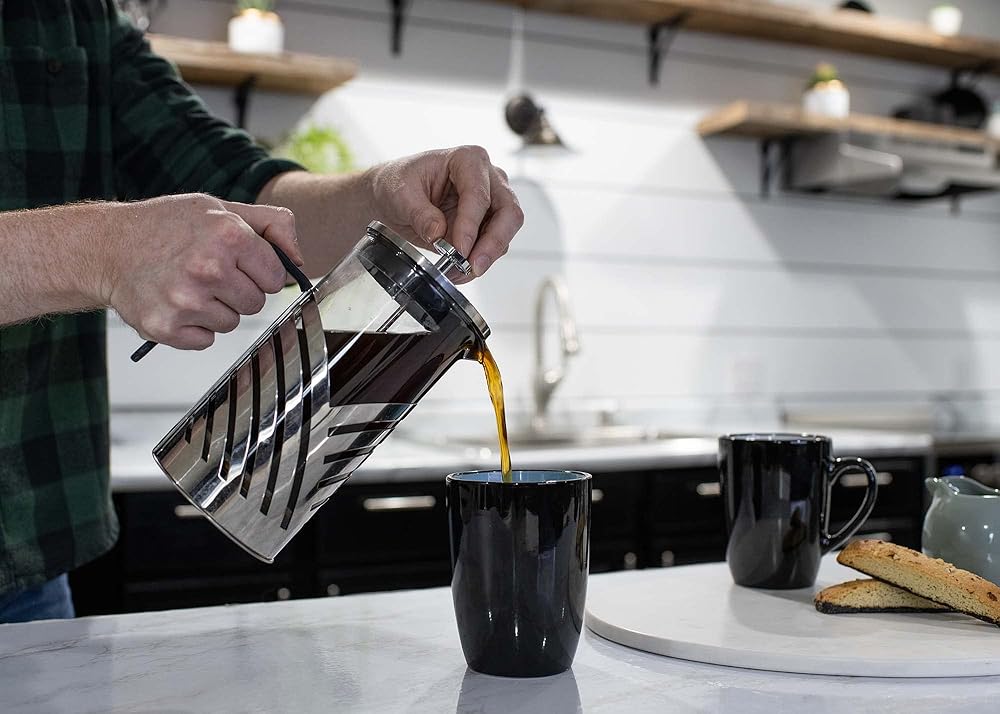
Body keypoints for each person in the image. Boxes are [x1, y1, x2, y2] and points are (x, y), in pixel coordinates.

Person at [0, 1, 523, 624]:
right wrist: (104, 248)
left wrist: (382, 193)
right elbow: (117, 243)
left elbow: (242, 182)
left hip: (36, 560)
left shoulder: (73, 14)